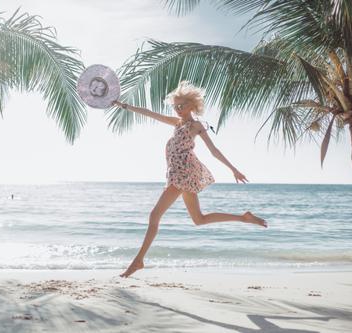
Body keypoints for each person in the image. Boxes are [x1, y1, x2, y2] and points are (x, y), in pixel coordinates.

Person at [112, 81, 267, 278]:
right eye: (175, 106)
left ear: (193, 106)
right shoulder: (177, 123)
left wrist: (233, 169)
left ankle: (138, 261)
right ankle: (243, 217)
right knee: (198, 219)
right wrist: (123, 105)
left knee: (154, 216)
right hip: (177, 173)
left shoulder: (195, 126)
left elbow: (214, 150)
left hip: (183, 173)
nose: (178, 109)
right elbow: (150, 113)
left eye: (182, 105)